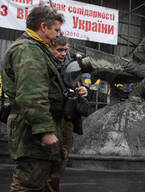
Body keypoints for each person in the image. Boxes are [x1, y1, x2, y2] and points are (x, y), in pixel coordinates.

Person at [1, 5, 66, 191]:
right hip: (32, 132)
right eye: (56, 30)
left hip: (33, 128)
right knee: (28, 185)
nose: (57, 35)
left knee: (42, 183)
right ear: (43, 26)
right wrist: (44, 130)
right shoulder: (29, 50)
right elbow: (31, 93)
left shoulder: (38, 49)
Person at [48, 35, 88, 191]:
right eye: (59, 50)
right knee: (46, 164)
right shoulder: (44, 64)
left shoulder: (70, 66)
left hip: (67, 119)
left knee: (61, 161)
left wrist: (83, 90)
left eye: (65, 50)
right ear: (50, 49)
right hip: (50, 120)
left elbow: (77, 84)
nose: (63, 53)